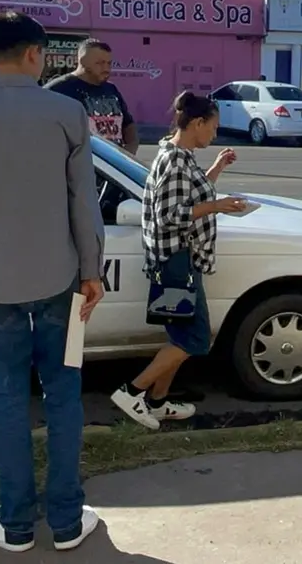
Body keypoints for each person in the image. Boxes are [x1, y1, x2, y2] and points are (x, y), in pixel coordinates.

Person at [0, 10, 106, 553]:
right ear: (36, 54)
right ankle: (69, 522)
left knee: (6, 399)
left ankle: (15, 526)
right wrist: (92, 272)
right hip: (66, 285)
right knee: (65, 396)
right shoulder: (68, 114)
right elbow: (84, 203)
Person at [110, 91, 248, 429]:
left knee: (180, 337)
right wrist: (218, 206)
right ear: (197, 123)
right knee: (195, 338)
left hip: (181, 259)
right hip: (175, 261)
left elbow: (193, 194)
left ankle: (157, 401)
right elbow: (170, 215)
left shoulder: (181, 156)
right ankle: (132, 392)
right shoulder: (174, 160)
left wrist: (216, 168)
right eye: (212, 128)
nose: (214, 135)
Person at [45, 38, 139, 153]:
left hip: (112, 166)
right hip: (81, 165)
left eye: (109, 63)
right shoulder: (58, 89)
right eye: (99, 63)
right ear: (83, 61)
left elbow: (128, 124)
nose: (106, 68)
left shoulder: (111, 89)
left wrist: (130, 148)